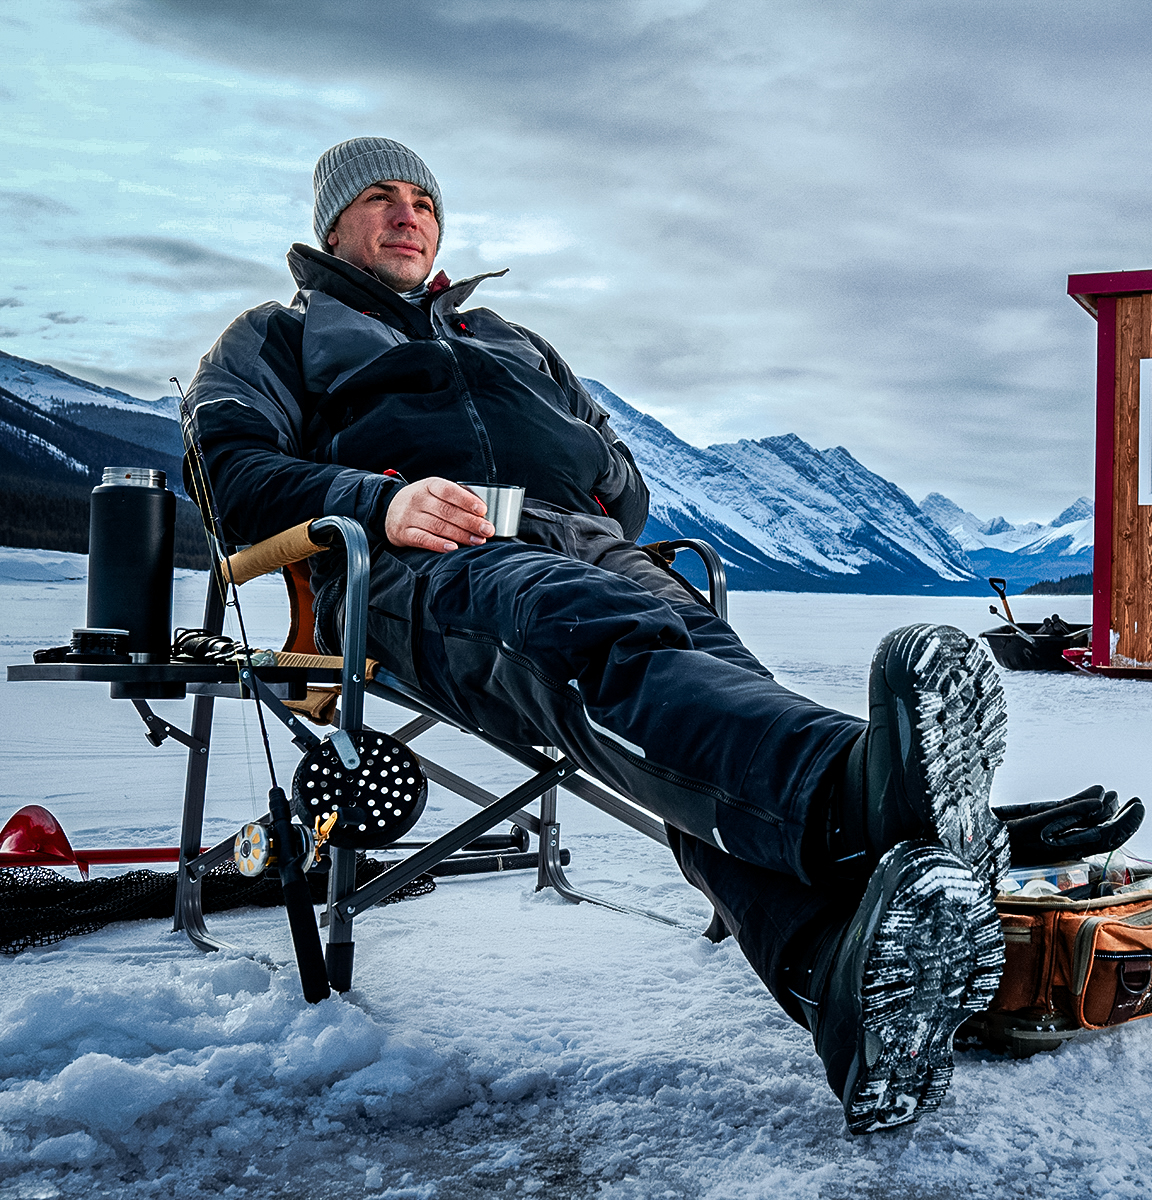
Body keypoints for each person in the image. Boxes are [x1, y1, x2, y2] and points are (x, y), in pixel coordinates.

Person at [185, 137, 1013, 1133]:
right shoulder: (278, 336)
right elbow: (224, 472)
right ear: (331, 227)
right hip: (417, 562)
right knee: (595, 638)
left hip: (585, 544)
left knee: (714, 686)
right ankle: (856, 795)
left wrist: (589, 492)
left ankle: (830, 968)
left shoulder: (510, 339)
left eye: (423, 201)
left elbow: (622, 474)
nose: (407, 215)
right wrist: (378, 500)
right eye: (379, 198)